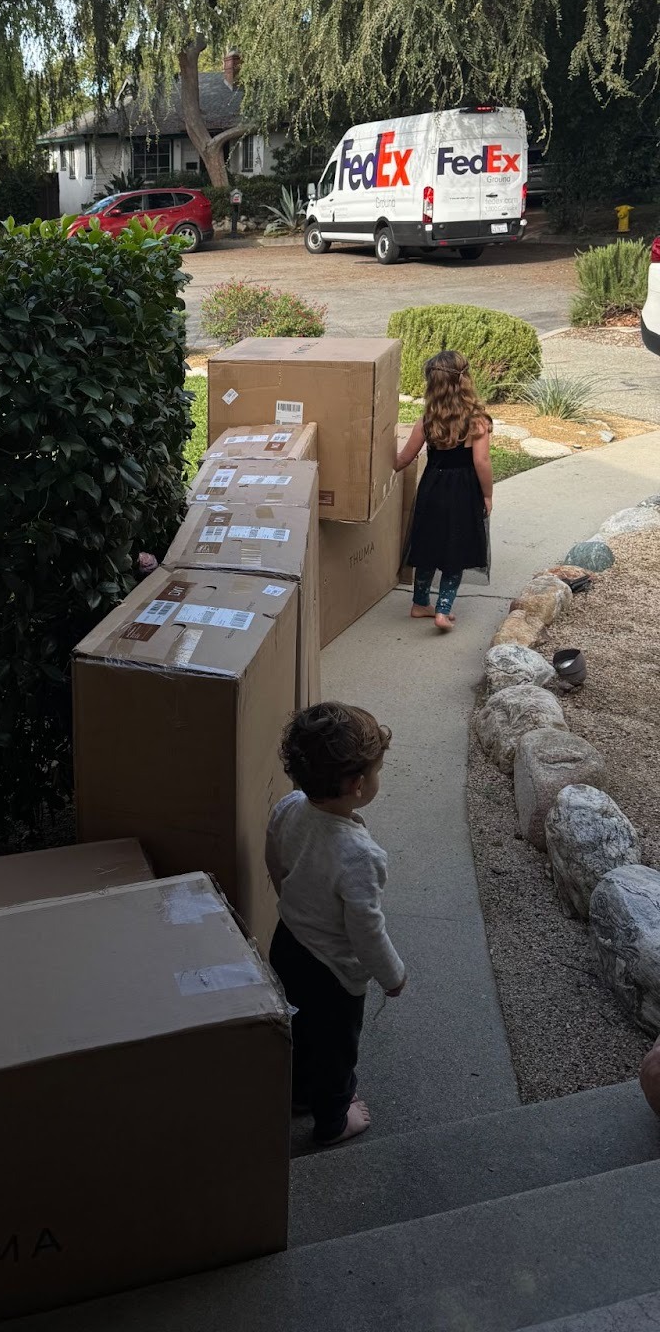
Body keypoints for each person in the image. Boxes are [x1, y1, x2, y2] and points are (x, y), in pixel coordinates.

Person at [266, 703, 405, 1145]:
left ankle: (299, 1094)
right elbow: (366, 928)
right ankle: (334, 1119)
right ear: (359, 785)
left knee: (299, 1027)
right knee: (336, 1049)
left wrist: (287, 897)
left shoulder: (289, 807)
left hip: (287, 942)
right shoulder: (359, 855)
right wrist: (392, 975)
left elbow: (275, 857)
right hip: (332, 973)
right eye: (378, 770)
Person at [396, 349, 493, 633]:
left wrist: (384, 462)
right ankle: (443, 610)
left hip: (432, 489)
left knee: (427, 545)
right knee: (456, 548)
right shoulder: (477, 421)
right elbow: (481, 462)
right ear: (465, 380)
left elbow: (404, 459)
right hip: (463, 492)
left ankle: (419, 603)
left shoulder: (427, 419)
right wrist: (487, 494)